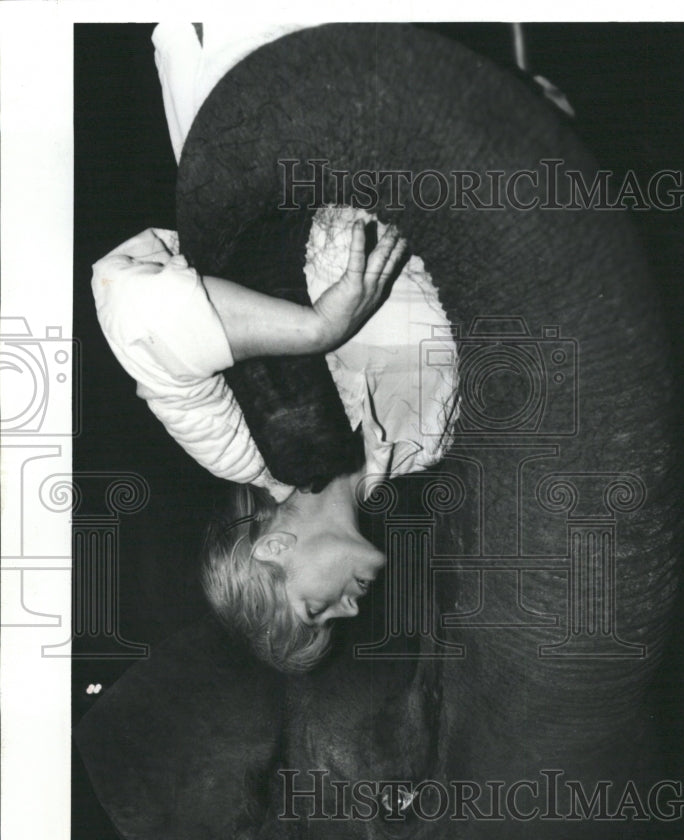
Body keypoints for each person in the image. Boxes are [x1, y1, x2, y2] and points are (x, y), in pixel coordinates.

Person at [91, 23, 460, 672]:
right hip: (404, 79)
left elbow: (133, 306)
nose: (350, 610)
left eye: (315, 610)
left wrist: (318, 331)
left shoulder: (240, 449)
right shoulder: (427, 444)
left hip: (267, 72)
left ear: (273, 549)